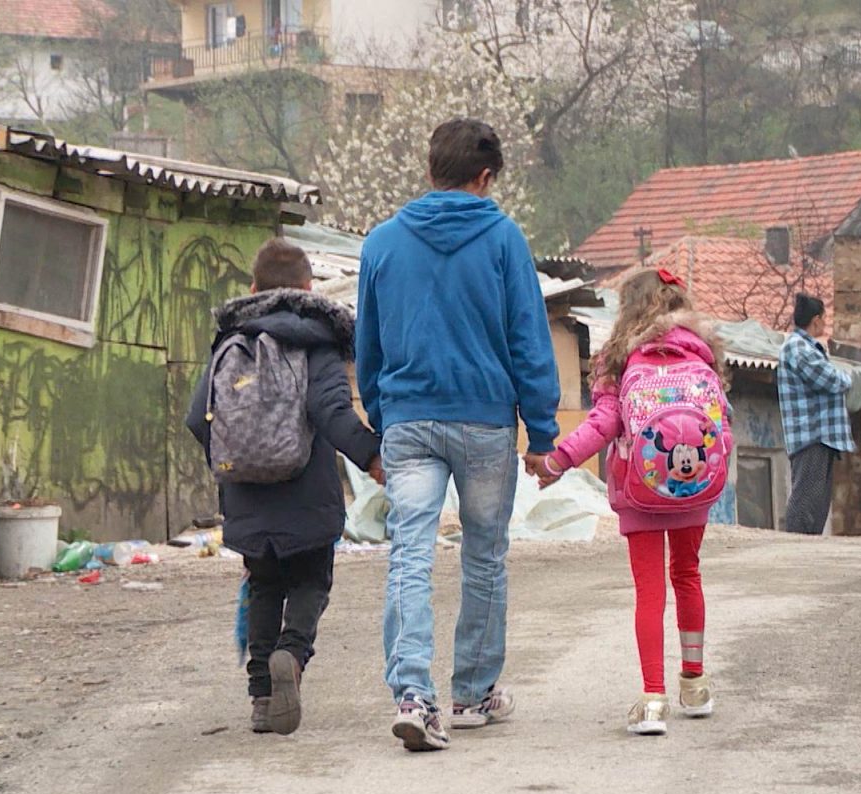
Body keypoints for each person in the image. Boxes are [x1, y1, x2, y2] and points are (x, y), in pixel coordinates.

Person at [356, 118, 560, 752]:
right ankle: (472, 693)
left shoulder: (382, 243)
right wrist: (543, 431)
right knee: (484, 556)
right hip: (485, 422)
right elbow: (529, 340)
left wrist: (383, 420)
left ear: (429, 170)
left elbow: (368, 347)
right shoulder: (503, 240)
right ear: (486, 177)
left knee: (410, 555)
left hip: (409, 420)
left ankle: (414, 697)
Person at [186, 238, 383, 736]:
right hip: (307, 491)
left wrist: (233, 461)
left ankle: (260, 699)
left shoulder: (230, 340)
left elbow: (196, 417)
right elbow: (330, 411)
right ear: (309, 289)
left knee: (264, 585)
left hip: (246, 495)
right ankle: (291, 655)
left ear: (253, 288)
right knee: (311, 581)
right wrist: (373, 457)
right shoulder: (317, 339)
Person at [536, 268, 731, 735]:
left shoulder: (618, 359)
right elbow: (721, 426)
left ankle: (653, 699)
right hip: (692, 489)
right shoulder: (702, 354)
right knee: (687, 575)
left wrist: (558, 461)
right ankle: (695, 683)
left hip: (639, 490)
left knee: (649, 590)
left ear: (629, 308)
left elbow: (604, 424)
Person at [778, 293, 853, 534]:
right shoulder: (798, 347)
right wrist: (847, 377)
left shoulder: (806, 347)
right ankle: (796, 545)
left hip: (820, 436)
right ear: (816, 320)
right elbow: (832, 380)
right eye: (824, 318)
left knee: (818, 502)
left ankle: (807, 544)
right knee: (806, 498)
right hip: (811, 434)